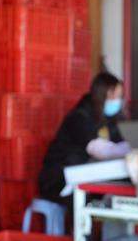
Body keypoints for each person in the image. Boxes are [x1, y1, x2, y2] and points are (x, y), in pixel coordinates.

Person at [38, 72, 130, 204]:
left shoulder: (107, 119)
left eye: (119, 97)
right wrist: (132, 153)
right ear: (101, 94)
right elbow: (101, 150)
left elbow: (119, 142)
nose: (117, 101)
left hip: (84, 173)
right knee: (88, 198)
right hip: (58, 179)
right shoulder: (79, 117)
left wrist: (131, 151)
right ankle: (80, 224)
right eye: (113, 96)